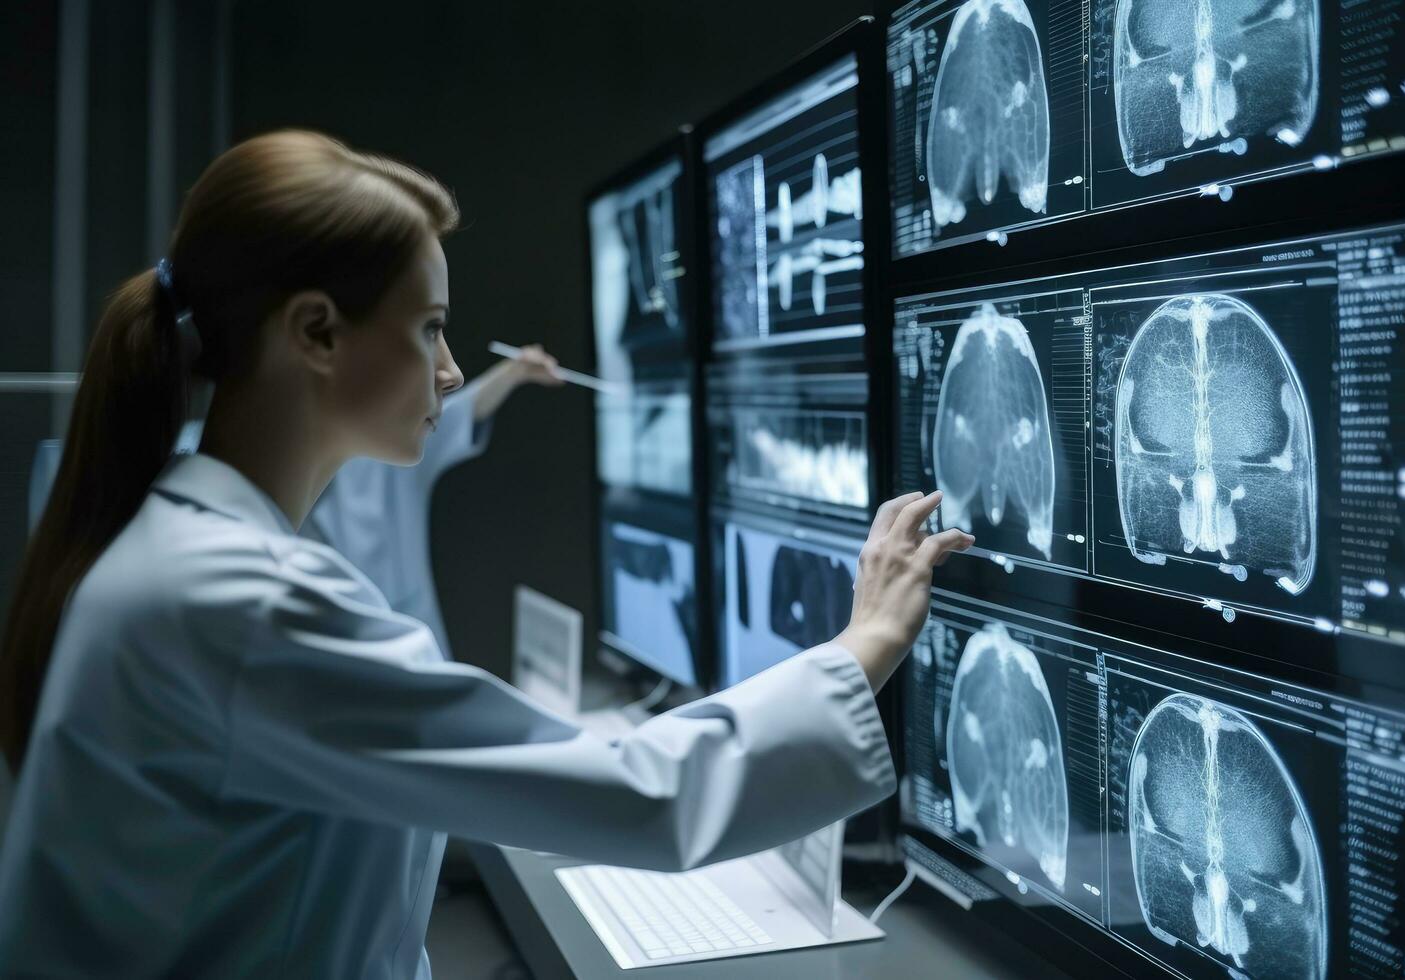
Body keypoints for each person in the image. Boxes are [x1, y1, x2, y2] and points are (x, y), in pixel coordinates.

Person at [0, 130, 973, 978]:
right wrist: (866, 642)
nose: (454, 369)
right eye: (428, 328)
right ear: (316, 333)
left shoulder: (187, 554)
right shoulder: (234, 601)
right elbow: (647, 793)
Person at [301, 344, 563, 659]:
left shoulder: (389, 455)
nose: (452, 373)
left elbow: (459, 414)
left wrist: (515, 371)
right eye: (427, 328)